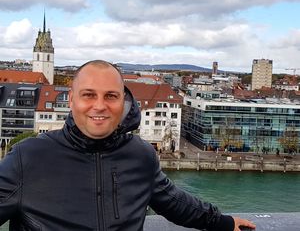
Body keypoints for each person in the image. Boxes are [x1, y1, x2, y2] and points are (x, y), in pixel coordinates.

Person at [0, 60, 256, 231]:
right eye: (88, 95)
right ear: (71, 101)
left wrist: (222, 223)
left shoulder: (140, 154)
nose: (99, 105)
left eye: (110, 96)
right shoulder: (28, 157)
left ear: (123, 103)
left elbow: (174, 202)